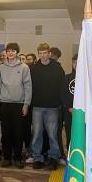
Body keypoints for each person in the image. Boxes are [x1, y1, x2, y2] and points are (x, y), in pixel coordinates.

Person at [0, 42, 32, 169]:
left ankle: (17, 158)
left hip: (19, 104)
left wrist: (26, 104)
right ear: (6, 52)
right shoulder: (0, 68)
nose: (10, 53)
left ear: (17, 52)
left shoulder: (24, 68)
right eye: (8, 51)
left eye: (13, 51)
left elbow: (28, 87)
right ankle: (6, 157)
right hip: (4, 104)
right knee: (5, 133)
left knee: (18, 132)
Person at [29, 42, 65, 170]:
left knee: (52, 134)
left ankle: (53, 157)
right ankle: (37, 158)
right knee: (37, 133)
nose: (43, 55)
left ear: (49, 54)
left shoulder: (57, 68)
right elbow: (29, 87)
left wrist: (60, 103)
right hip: (37, 106)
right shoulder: (33, 69)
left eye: (45, 53)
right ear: (38, 54)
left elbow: (62, 86)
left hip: (53, 107)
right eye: (40, 53)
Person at [61, 54, 77, 151]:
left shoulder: (88, 78)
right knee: (69, 133)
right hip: (69, 112)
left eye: (78, 62)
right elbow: (63, 94)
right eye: (74, 62)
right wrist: (69, 107)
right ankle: (70, 154)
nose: (76, 64)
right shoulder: (67, 77)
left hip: (84, 112)